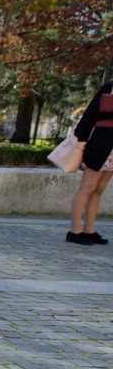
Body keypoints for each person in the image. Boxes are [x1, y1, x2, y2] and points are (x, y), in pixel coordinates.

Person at [66, 80, 113, 245]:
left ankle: (89, 230)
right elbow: (92, 115)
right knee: (87, 187)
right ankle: (74, 231)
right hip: (100, 145)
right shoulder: (109, 88)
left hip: (112, 151)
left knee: (99, 189)